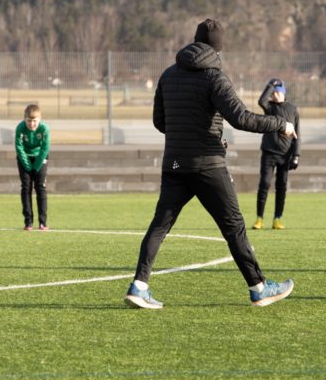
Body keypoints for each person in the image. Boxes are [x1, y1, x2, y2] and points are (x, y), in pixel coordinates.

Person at [125, 19, 297, 309]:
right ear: (218, 48)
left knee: (160, 225)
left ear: (193, 41)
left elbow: (159, 121)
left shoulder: (168, 74)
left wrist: (184, 134)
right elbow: (241, 118)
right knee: (234, 228)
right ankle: (258, 288)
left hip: (175, 164)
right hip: (208, 165)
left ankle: (138, 286)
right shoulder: (215, 77)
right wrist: (280, 123)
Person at [252, 78, 300, 230]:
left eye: (278, 92)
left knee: (282, 187)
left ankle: (277, 218)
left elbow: (297, 133)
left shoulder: (292, 109)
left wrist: (296, 155)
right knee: (264, 184)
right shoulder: (270, 107)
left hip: (285, 155)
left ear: (284, 94)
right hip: (269, 152)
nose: (276, 95)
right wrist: (270, 85)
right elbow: (261, 100)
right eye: (274, 92)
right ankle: (259, 218)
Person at [15, 104, 51, 231]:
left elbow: (45, 148)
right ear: (24, 119)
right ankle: (28, 222)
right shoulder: (20, 128)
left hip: (40, 159)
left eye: (34, 121)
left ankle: (42, 222)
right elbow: (19, 147)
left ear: (39, 119)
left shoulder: (44, 128)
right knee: (26, 187)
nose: (32, 124)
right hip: (24, 159)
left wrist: (36, 166)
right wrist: (27, 165)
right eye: (29, 121)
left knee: (40, 187)